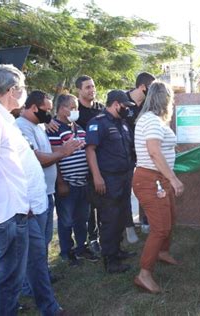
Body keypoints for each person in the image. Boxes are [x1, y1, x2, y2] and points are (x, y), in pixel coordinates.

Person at [0, 64, 64, 315]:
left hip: (25, 208)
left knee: (37, 263)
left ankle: (50, 308)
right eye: (22, 89)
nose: (24, 94)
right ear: (13, 90)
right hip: (8, 213)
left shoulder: (3, 117)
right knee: (9, 279)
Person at [16, 90, 83, 295]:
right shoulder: (20, 128)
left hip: (45, 192)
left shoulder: (37, 125)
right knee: (32, 244)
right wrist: (63, 151)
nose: (49, 114)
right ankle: (28, 285)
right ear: (34, 108)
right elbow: (37, 158)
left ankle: (41, 275)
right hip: (33, 195)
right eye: (46, 110)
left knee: (42, 241)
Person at [132, 81, 184, 294]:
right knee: (160, 227)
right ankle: (144, 274)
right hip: (151, 180)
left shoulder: (155, 121)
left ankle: (162, 252)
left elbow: (159, 147)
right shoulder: (152, 120)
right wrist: (174, 179)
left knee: (170, 219)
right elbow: (154, 151)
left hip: (158, 179)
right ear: (165, 99)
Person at [85, 90, 136, 274]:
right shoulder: (98, 123)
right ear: (116, 104)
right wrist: (97, 177)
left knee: (121, 215)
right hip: (107, 179)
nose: (127, 110)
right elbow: (90, 151)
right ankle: (110, 260)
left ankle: (118, 250)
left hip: (123, 176)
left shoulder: (121, 124)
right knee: (110, 218)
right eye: (125, 106)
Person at [48, 94, 98, 264]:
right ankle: (66, 252)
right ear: (61, 108)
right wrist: (61, 182)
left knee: (81, 219)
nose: (75, 110)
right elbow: (54, 157)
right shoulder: (53, 129)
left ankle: (81, 248)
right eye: (71, 107)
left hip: (82, 182)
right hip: (67, 184)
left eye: (76, 107)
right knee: (66, 220)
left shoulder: (79, 129)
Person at [74, 75, 106, 255]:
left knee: (102, 203)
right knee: (88, 208)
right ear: (79, 90)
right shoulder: (74, 111)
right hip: (81, 165)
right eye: (87, 87)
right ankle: (91, 239)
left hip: (102, 163)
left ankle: (105, 235)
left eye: (93, 86)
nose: (92, 90)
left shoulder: (100, 109)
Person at [125, 72, 156, 239]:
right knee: (126, 190)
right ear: (143, 87)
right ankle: (128, 225)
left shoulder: (149, 104)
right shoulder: (122, 100)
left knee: (147, 186)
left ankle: (146, 219)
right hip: (124, 154)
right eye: (151, 88)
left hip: (144, 153)